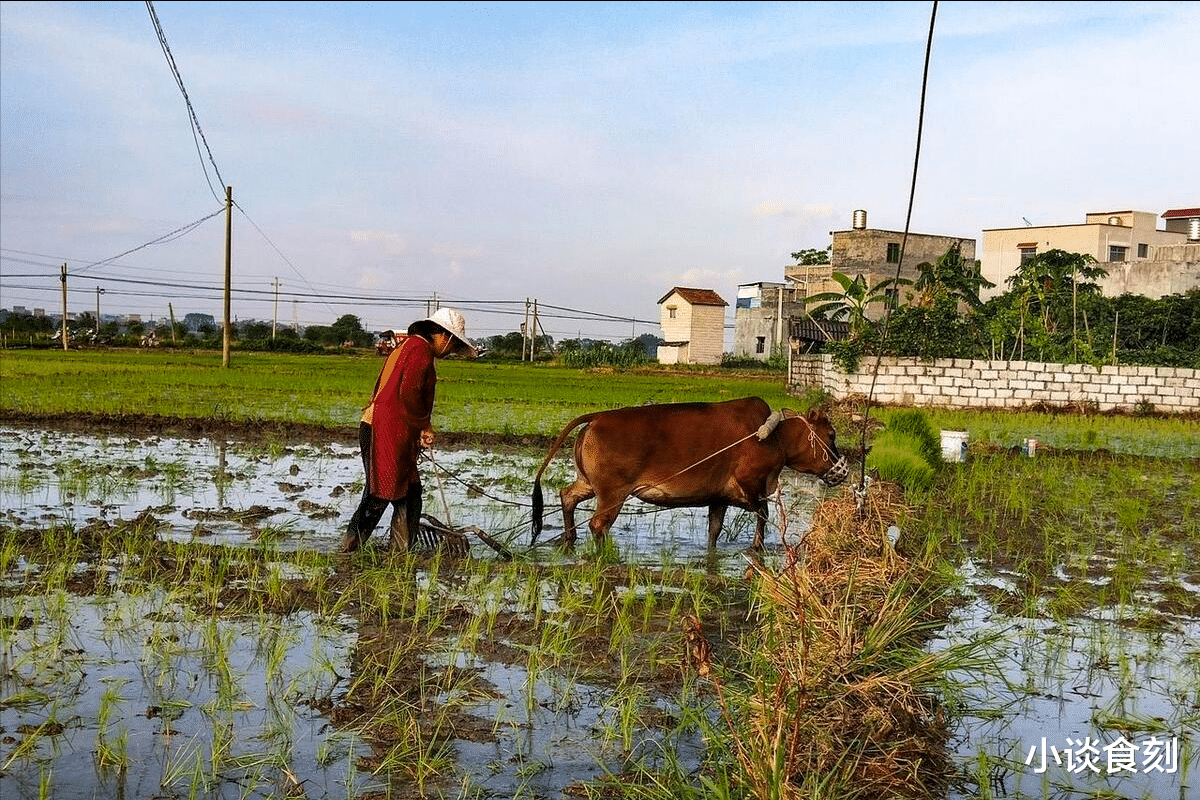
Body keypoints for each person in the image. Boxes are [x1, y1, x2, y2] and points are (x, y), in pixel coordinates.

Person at [339, 307, 476, 553]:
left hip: (394, 429)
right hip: (384, 429)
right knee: (379, 494)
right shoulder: (419, 351)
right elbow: (409, 393)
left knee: (410, 492)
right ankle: (349, 549)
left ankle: (401, 551)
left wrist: (418, 429)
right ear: (444, 336)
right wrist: (424, 424)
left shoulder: (410, 347)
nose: (452, 352)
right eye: (454, 346)